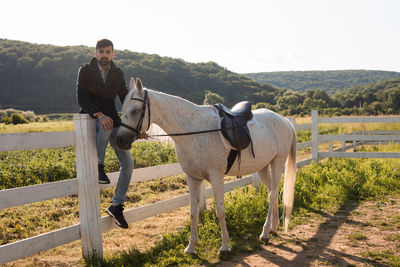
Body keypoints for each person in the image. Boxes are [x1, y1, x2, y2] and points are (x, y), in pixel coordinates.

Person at [76, 38, 137, 229]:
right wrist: (100, 114)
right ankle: (98, 166)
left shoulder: (118, 73)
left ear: (113, 54)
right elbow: (82, 98)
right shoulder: (85, 70)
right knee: (107, 124)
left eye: (108, 52)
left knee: (128, 164)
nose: (104, 55)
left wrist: (136, 130)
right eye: (101, 52)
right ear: (96, 53)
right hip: (92, 118)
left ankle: (117, 205)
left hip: (112, 120)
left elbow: (126, 100)